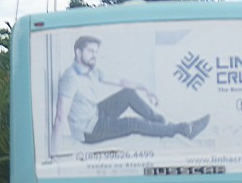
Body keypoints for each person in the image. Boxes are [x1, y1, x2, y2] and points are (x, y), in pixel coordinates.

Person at [51, 35, 209, 154]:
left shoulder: (91, 70)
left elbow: (120, 81)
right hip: (89, 131)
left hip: (94, 114)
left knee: (128, 94)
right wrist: (54, 153)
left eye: (96, 52)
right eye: (91, 51)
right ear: (78, 52)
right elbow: (60, 116)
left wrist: (144, 88)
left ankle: (159, 123)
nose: (94, 55)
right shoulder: (70, 78)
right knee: (132, 123)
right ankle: (183, 129)